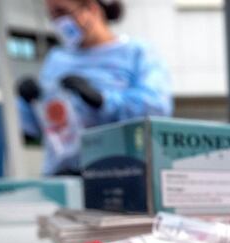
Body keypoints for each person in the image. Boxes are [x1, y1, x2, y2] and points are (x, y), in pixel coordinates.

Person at [17, 0, 172, 175]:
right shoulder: (56, 59)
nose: (57, 22)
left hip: (116, 172)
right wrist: (28, 104)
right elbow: (36, 129)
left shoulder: (137, 52)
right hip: (62, 174)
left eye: (61, 12)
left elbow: (158, 107)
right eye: (52, 15)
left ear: (91, 8)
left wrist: (103, 100)